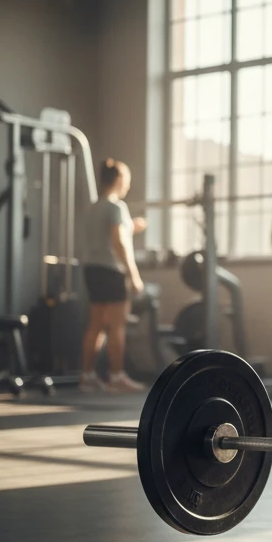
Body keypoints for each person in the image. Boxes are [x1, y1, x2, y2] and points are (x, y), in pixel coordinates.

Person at [79, 159, 147, 394]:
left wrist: (130, 227)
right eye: (126, 180)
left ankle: (87, 376)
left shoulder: (94, 207)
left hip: (92, 270)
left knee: (96, 324)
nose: (127, 185)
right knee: (116, 326)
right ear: (119, 180)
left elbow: (109, 235)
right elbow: (119, 243)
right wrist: (134, 275)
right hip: (111, 271)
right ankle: (117, 376)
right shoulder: (116, 207)